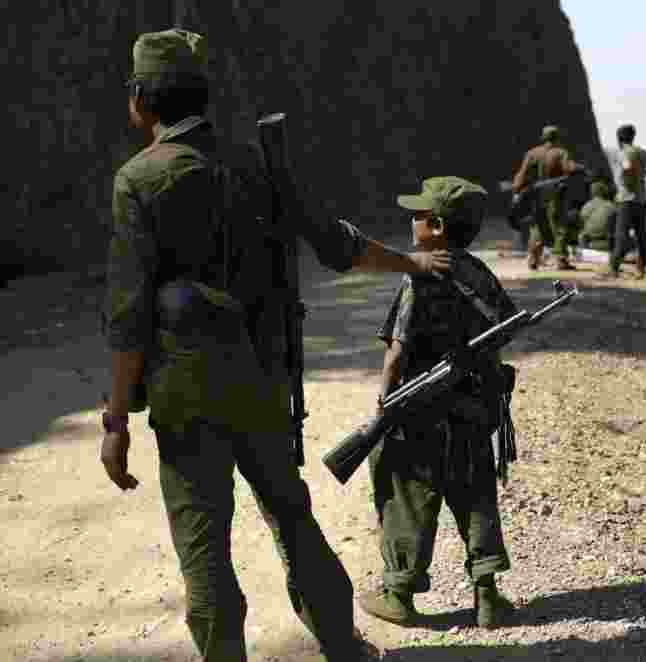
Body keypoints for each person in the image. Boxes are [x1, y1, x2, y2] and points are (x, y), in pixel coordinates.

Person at [100, 29, 453, 661]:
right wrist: (411, 264)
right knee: (291, 514)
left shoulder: (138, 180)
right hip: (260, 378)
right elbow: (338, 243)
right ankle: (342, 644)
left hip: (184, 393)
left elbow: (127, 316)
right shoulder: (255, 166)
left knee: (203, 542)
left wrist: (116, 420)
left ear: (143, 99)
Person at [358, 176, 519, 630]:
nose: (411, 220)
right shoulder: (480, 275)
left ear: (437, 226)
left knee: (407, 498)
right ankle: (487, 597)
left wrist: (383, 405)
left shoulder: (420, 275)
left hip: (420, 414)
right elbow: (499, 337)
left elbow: (397, 350)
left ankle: (400, 595)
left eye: (419, 214)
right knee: (475, 499)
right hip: (472, 411)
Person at [511, 125, 584, 271]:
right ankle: (561, 260)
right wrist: (580, 168)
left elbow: (522, 175)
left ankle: (533, 259)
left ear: (543, 138)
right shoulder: (561, 152)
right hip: (555, 195)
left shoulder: (532, 153)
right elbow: (569, 168)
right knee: (559, 226)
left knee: (537, 226)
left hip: (535, 195)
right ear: (557, 138)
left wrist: (517, 189)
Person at [604, 124, 646, 279]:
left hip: (626, 199)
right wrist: (643, 172)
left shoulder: (623, 153)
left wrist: (627, 173)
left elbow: (627, 166)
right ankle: (641, 268)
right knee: (641, 234)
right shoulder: (641, 152)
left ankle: (613, 268)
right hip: (641, 200)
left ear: (619, 139)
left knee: (621, 235)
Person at [578, 180, 618, 252]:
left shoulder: (587, 206)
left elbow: (582, 221)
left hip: (588, 242)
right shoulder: (611, 206)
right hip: (606, 242)